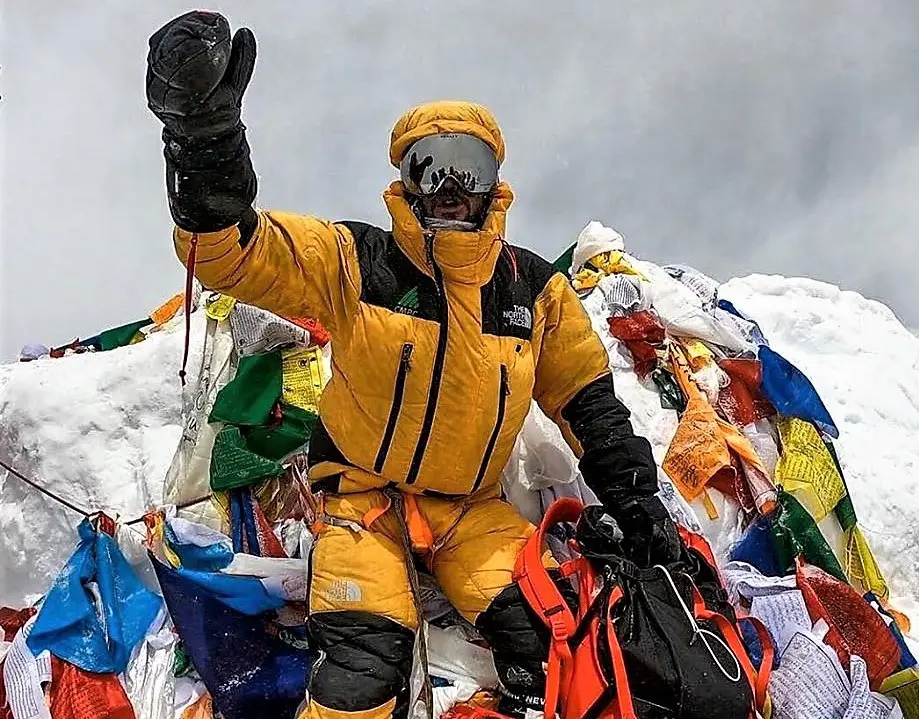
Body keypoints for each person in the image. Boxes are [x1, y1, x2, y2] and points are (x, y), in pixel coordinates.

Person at [146, 11, 679, 719]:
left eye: (469, 167)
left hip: (471, 514)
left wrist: (638, 502)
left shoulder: (532, 292)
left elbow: (591, 407)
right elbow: (233, 253)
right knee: (362, 671)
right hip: (361, 507)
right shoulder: (356, 261)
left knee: (553, 641)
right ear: (406, 180)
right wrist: (204, 140)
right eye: (430, 166)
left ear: (494, 184)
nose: (450, 185)